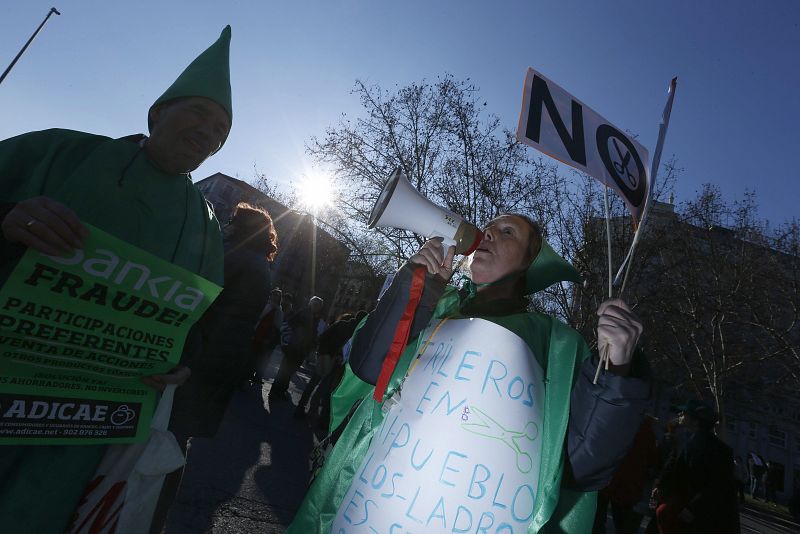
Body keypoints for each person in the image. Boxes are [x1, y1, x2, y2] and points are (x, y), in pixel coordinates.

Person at [0, 26, 233, 531]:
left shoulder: (207, 227)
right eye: (198, 112)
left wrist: (180, 366)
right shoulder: (59, 152)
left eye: (220, 129)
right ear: (158, 112)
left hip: (90, 431)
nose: (208, 132)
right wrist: (7, 218)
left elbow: (195, 323)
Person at [288, 213, 651, 533]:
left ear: (530, 261)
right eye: (489, 227)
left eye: (507, 232)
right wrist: (415, 286)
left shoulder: (554, 342)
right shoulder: (438, 305)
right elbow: (368, 370)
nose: (488, 233)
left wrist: (616, 369)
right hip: (367, 505)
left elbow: (580, 465)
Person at [153, 201, 277, 531]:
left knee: (165, 432)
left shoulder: (232, 255)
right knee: (179, 437)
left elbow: (195, 292)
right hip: (226, 353)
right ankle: (155, 513)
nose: (227, 224)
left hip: (203, 349)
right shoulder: (261, 264)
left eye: (234, 221)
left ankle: (146, 513)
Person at [651, 399, 739, 533]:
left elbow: (718, 486)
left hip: (699, 515)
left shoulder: (719, 450)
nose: (681, 414)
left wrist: (692, 508)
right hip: (681, 507)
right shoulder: (684, 439)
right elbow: (672, 465)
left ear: (696, 421)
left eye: (685, 413)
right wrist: (660, 485)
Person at [593, 416, 659, 534]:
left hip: (610, 480)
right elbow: (652, 459)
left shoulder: (618, 422)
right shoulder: (647, 432)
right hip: (627, 486)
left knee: (599, 520)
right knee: (622, 524)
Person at [269, 295, 325, 403]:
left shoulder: (311, 315)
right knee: (287, 371)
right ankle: (277, 391)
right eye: (317, 305)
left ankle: (278, 390)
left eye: (319, 306)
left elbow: (292, 324)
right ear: (312, 304)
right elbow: (292, 324)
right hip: (296, 348)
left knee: (287, 370)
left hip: (297, 348)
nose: (318, 308)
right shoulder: (307, 314)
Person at [250, 287, 285, 381]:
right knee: (253, 355)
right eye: (273, 294)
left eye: (277, 296)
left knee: (261, 358)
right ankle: (249, 374)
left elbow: (277, 327)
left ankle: (256, 376)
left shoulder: (278, 311)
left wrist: (269, 338)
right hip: (257, 334)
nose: (274, 297)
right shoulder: (267, 305)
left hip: (266, 338)